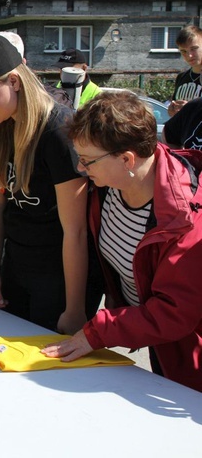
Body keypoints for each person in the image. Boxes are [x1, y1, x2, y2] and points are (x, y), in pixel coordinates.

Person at [42, 91, 202, 393]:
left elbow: (174, 312)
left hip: (190, 362)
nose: (80, 169)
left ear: (127, 158)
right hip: (159, 345)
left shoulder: (186, 217)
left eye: (87, 161)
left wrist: (100, 331)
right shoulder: (108, 187)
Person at [0, 34, 89, 334]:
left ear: (13, 81)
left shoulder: (59, 132)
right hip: (15, 267)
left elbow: (75, 232)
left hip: (58, 278)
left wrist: (75, 308)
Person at [168, 25, 202, 117]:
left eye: (194, 49)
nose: (189, 55)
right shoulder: (181, 77)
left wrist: (190, 108)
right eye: (184, 51)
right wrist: (172, 112)